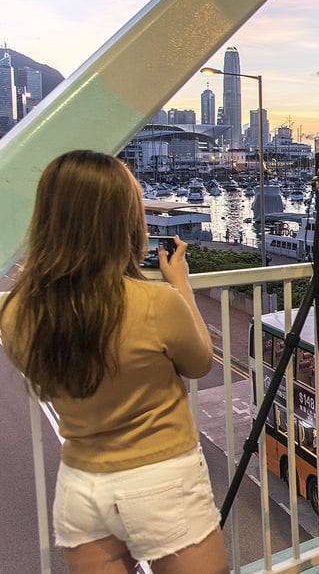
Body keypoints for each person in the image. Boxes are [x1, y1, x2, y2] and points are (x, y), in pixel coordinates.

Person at [0, 150, 227, 574]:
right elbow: (199, 363)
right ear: (120, 220)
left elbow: (49, 380)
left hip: (81, 489)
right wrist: (182, 287)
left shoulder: (18, 313)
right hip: (163, 482)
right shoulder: (155, 302)